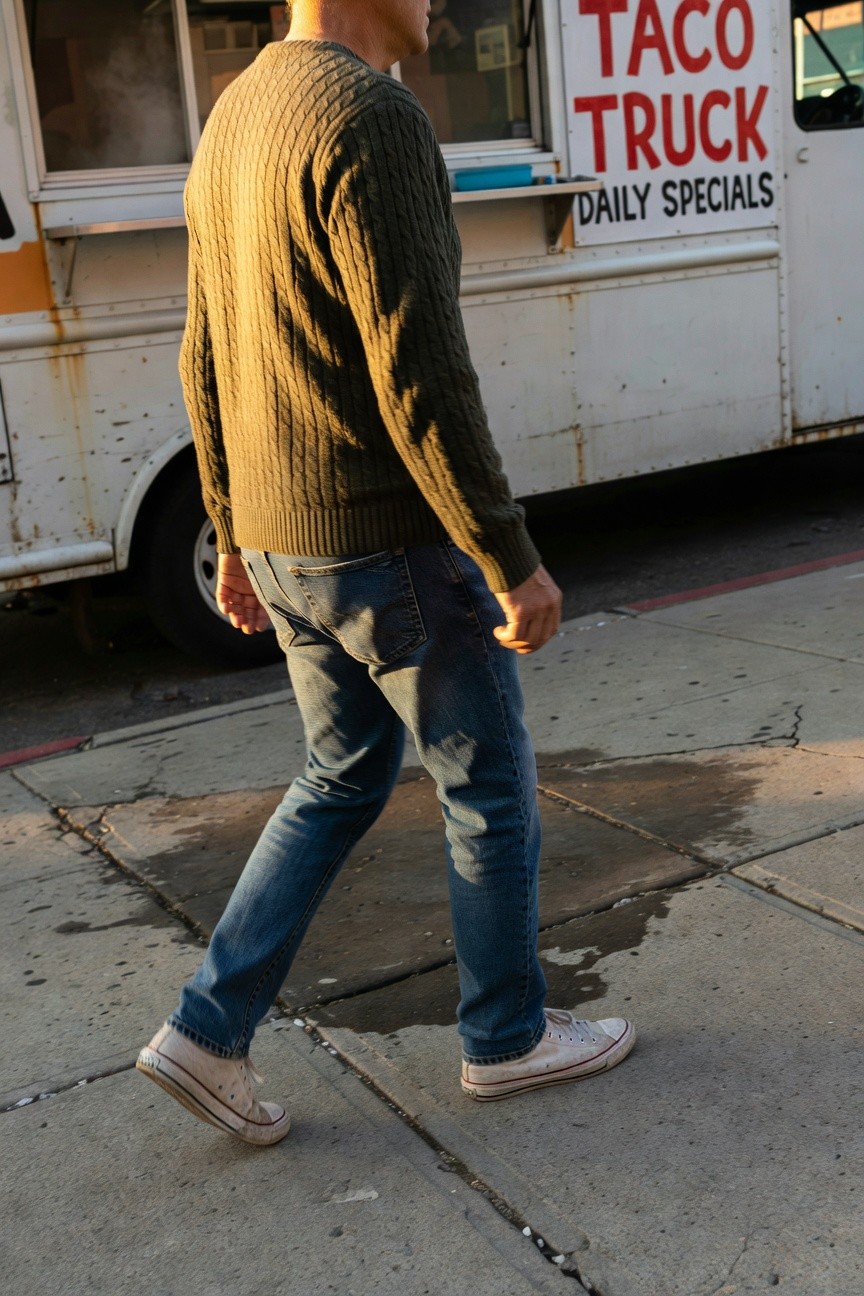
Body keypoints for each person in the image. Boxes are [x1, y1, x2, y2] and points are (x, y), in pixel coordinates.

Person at [136, 0, 635, 1146]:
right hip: (387, 542)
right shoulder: (374, 115)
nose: (440, 4)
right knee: (489, 788)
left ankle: (208, 1031)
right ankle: (507, 1039)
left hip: (283, 537)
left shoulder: (237, 113)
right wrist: (511, 557)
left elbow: (201, 349)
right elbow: (423, 375)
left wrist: (232, 534)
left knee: (341, 775)